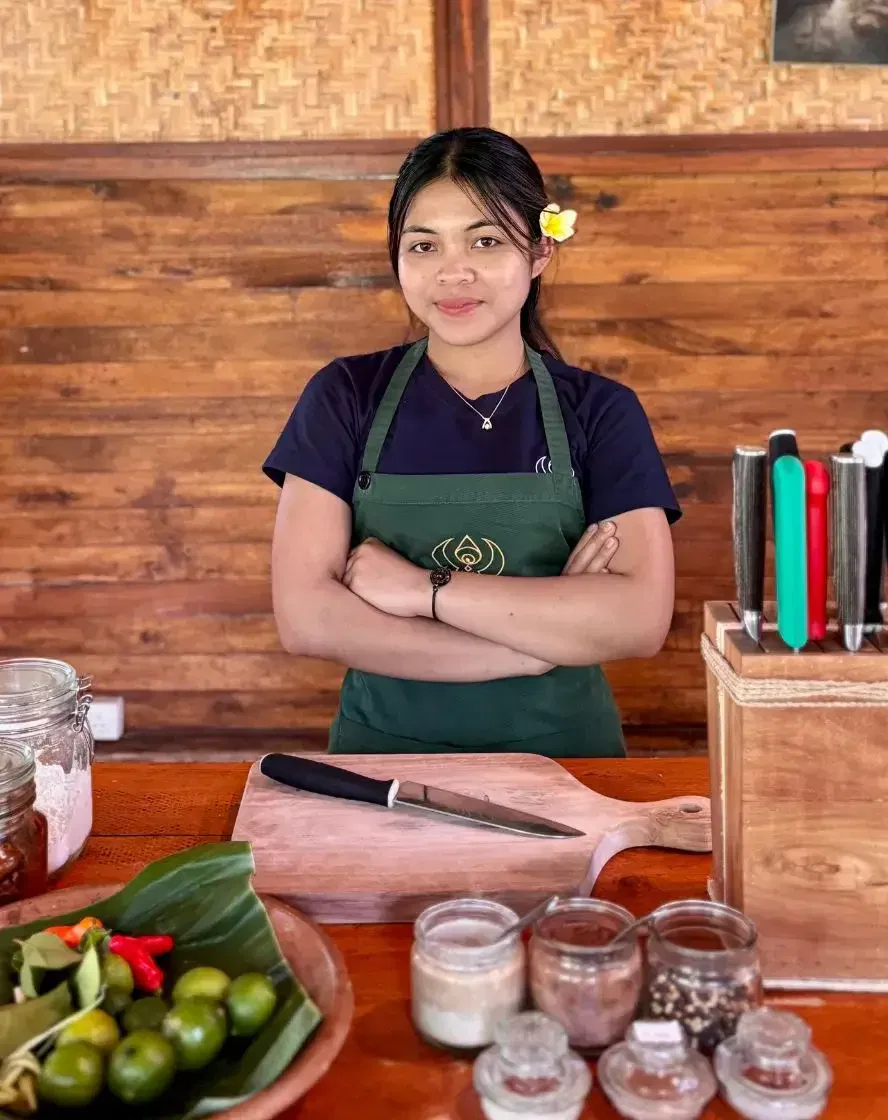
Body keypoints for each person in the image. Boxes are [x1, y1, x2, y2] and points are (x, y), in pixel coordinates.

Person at [263, 127, 680, 757]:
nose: (453, 272)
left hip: (569, 760)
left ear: (539, 251)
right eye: (424, 245)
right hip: (382, 762)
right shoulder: (346, 395)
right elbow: (306, 617)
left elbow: (639, 619)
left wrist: (420, 589)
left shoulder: (601, 412)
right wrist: (526, 649)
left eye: (485, 240)